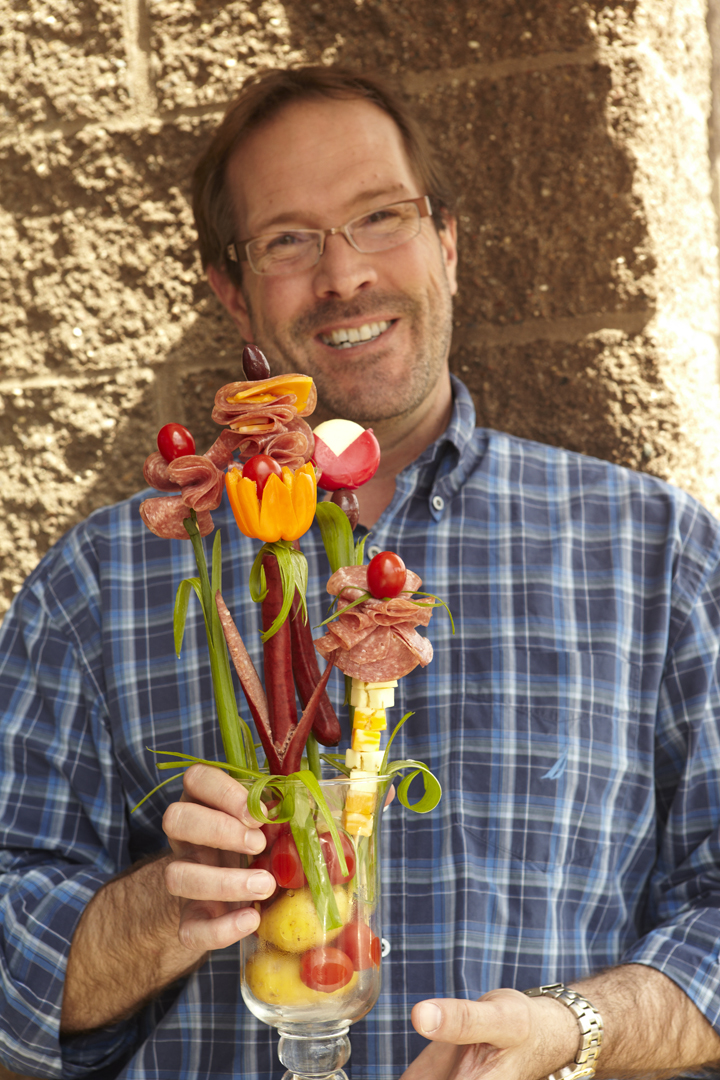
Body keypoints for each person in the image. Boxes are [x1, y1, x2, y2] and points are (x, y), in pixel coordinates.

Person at [2, 64, 720, 1080]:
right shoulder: (99, 583)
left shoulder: (657, 553)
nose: (343, 274)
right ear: (232, 292)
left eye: (381, 216)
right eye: (289, 240)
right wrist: (160, 911)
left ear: (447, 243)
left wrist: (575, 1031)